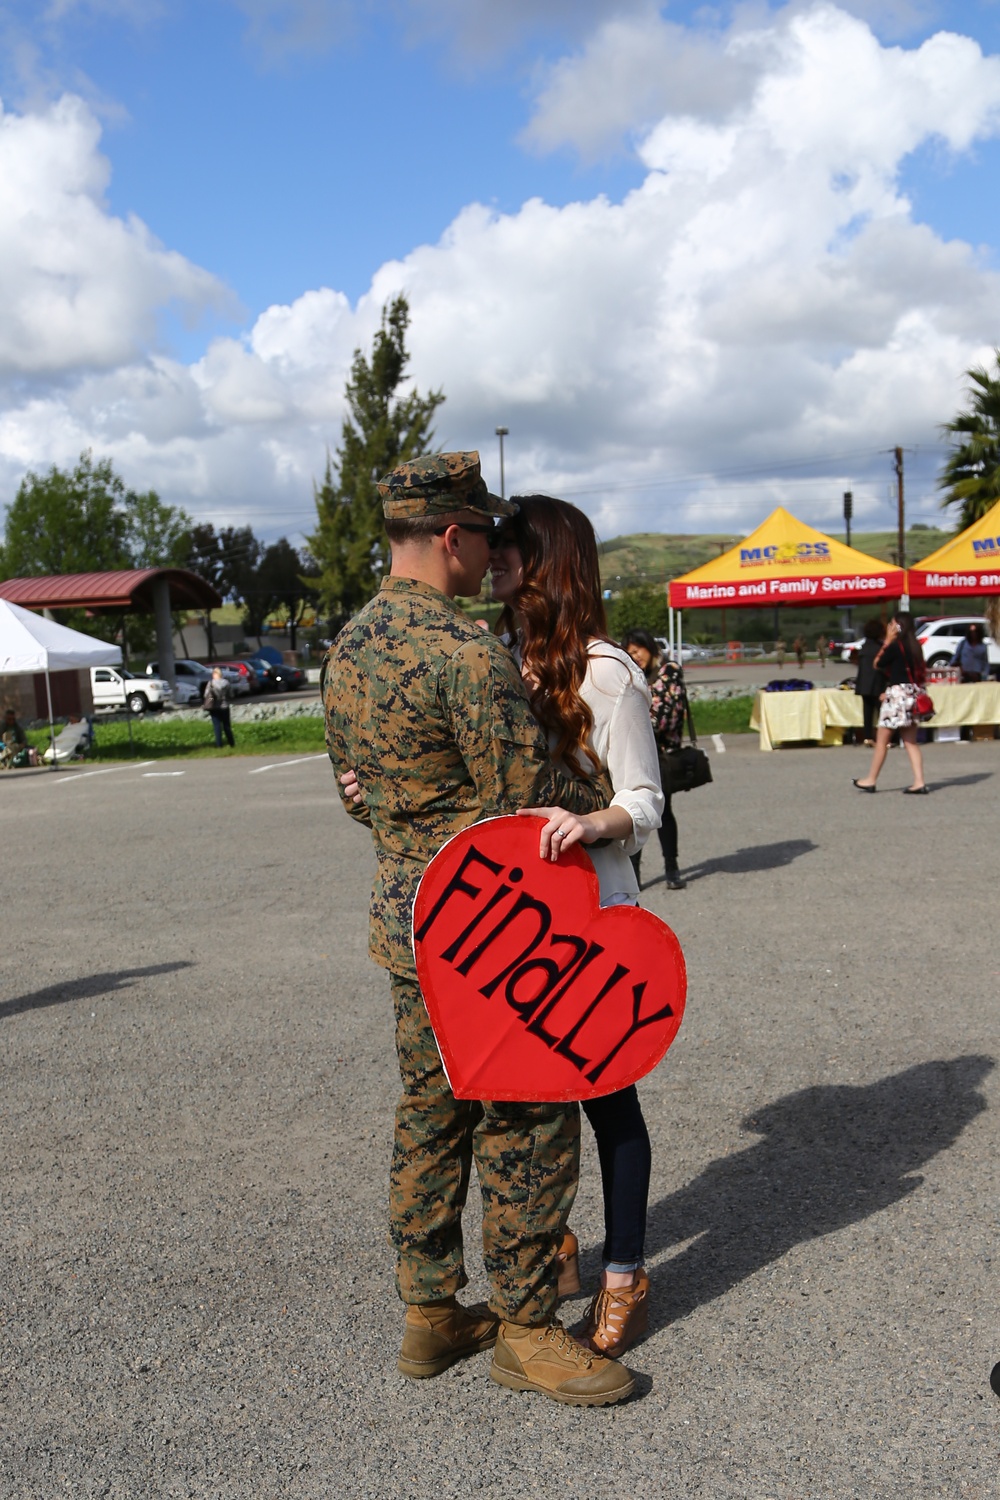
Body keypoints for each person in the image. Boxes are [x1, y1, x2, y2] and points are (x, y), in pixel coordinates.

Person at [323, 452, 634, 1408]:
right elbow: (522, 801)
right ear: (451, 537)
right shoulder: (462, 653)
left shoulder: (348, 647)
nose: (494, 549)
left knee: (430, 1112)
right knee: (527, 1122)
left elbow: (360, 796)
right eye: (486, 534)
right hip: (485, 933)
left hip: (405, 925)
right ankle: (529, 1330)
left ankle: (431, 1311)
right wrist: (603, 794)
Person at [489, 497, 665, 1360]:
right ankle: (556, 1242)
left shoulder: (607, 672)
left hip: (593, 916)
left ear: (547, 559)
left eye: (509, 548)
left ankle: (626, 1273)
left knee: (607, 1102)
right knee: (526, 1094)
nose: (493, 559)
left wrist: (594, 823)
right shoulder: (496, 660)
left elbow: (646, 800)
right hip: (515, 921)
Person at [619, 629, 687, 891]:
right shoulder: (633, 674)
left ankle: (672, 867)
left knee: (663, 812)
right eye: (630, 652)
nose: (635, 657)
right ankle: (633, 874)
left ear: (650, 647)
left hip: (661, 755)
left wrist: (636, 721)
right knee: (633, 811)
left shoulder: (668, 670)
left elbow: (669, 714)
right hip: (636, 753)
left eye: (638, 651)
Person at [852, 611, 928, 794]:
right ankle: (919, 781)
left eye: (892, 624)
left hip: (897, 697)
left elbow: (877, 663)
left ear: (897, 627)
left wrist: (887, 640)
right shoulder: (915, 646)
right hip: (912, 694)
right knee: (910, 741)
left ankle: (871, 779)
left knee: (882, 739)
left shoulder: (895, 647)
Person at [854, 618, 887, 747]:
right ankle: (884, 738)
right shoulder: (879, 648)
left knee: (867, 713)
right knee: (882, 713)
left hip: (864, 684)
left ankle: (867, 737)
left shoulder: (864, 648)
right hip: (878, 684)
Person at [204, 668, 235, 748]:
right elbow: (231, 694)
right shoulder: (226, 683)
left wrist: (212, 699)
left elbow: (206, 695)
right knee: (227, 726)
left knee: (217, 726)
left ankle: (219, 745)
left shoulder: (211, 683)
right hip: (225, 706)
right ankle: (231, 743)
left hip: (214, 707)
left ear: (214, 674)